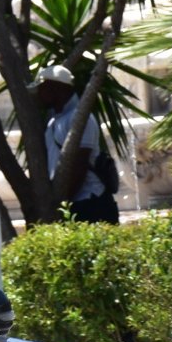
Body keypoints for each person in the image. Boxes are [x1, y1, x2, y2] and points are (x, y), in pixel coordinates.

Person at [36, 64, 119, 224]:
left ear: (55, 87)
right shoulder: (54, 119)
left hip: (90, 202)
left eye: (42, 89)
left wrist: (63, 202)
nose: (38, 95)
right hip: (74, 202)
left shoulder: (79, 118)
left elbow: (80, 165)